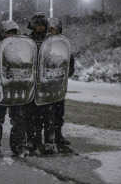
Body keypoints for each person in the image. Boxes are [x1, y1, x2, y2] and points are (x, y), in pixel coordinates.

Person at [0, 20, 29, 157]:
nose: (11, 35)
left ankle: (19, 146)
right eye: (8, 32)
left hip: (16, 88)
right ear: (2, 34)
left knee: (18, 118)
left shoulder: (21, 48)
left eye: (13, 33)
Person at [25, 12, 56, 155]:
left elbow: (61, 57)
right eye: (37, 25)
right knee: (31, 114)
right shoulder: (26, 41)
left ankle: (49, 141)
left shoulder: (53, 41)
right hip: (32, 83)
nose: (40, 28)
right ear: (32, 26)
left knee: (49, 114)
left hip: (48, 82)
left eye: (42, 25)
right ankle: (32, 139)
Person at [47, 17, 75, 145]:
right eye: (50, 28)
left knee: (59, 111)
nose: (51, 30)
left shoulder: (63, 43)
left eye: (54, 28)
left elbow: (70, 60)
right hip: (44, 84)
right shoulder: (43, 42)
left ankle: (57, 134)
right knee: (43, 112)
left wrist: (67, 72)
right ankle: (41, 137)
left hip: (58, 84)